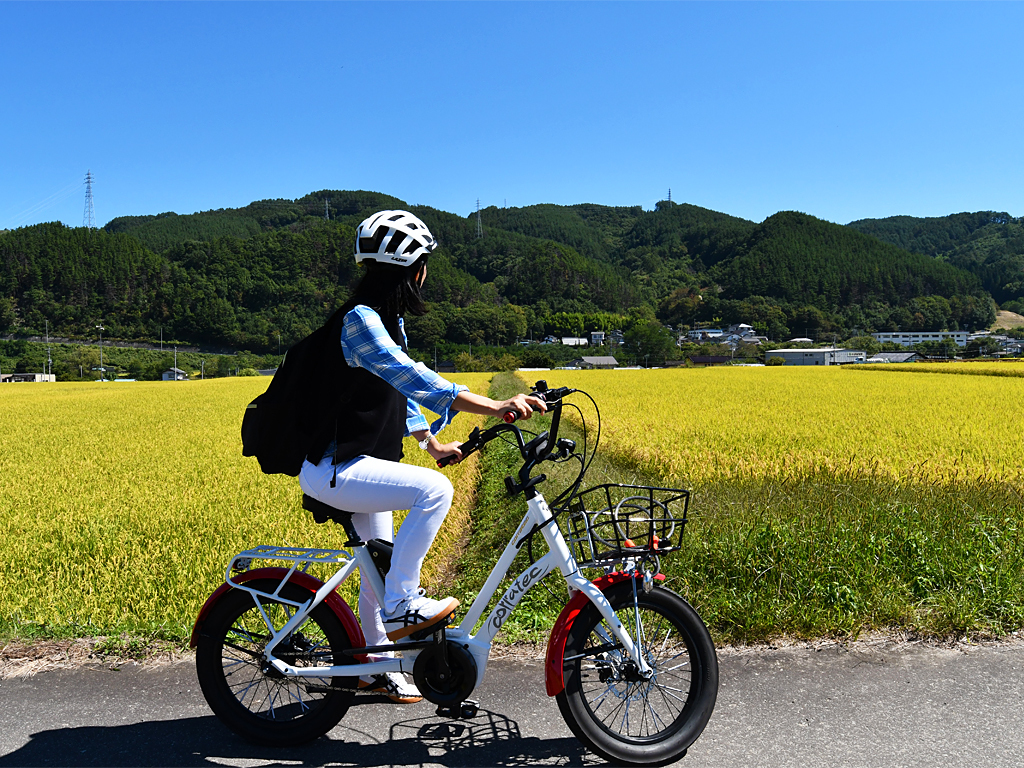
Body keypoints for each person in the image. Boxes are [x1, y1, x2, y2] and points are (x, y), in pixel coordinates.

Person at [298, 210, 546, 703]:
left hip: (363, 467)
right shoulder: (360, 322)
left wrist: (431, 443)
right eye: (424, 264)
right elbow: (416, 378)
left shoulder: (386, 321)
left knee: (378, 573)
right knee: (434, 492)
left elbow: (403, 393)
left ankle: (376, 667)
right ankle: (405, 606)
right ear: (414, 269)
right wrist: (495, 405)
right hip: (336, 468)